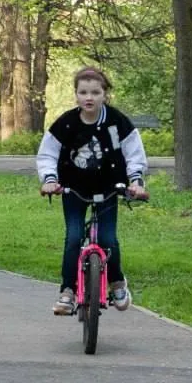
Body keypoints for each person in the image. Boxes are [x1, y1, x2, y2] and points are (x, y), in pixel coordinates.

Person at [35, 66, 148, 316]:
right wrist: (50, 180)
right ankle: (67, 292)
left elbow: (134, 153)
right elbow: (48, 153)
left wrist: (136, 182)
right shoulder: (66, 124)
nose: (89, 97)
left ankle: (117, 282)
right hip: (73, 189)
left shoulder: (117, 122)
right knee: (73, 237)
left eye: (95, 92)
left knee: (108, 239)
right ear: (75, 94)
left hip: (109, 188)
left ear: (104, 94)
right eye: (83, 92)